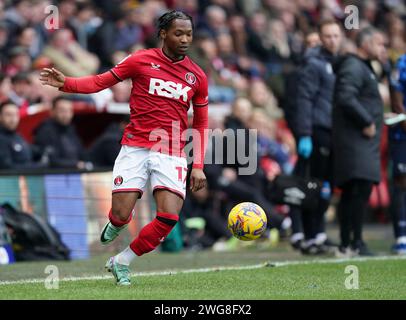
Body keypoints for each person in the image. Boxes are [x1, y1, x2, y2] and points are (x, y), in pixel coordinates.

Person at [40, 11, 208, 286]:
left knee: (168, 217)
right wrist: (67, 83)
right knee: (120, 215)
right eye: (179, 33)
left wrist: (198, 165)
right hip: (136, 147)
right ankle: (117, 223)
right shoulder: (141, 60)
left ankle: (122, 261)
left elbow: (201, 123)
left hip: (172, 151)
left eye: (189, 34)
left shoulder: (197, 76)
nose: (185, 39)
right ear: (163, 34)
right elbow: (100, 81)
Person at [289, 19, 342, 254]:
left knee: (321, 186)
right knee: (307, 184)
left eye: (336, 36)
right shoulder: (309, 66)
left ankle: (316, 233)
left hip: (330, 132)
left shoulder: (334, 63)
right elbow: (301, 102)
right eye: (326, 37)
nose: (331, 40)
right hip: (315, 132)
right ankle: (305, 233)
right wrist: (303, 134)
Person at [333, 27, 386, 256]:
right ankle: (354, 242)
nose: (383, 49)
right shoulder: (354, 66)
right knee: (357, 190)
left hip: (360, 142)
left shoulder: (364, 67)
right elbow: (345, 96)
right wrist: (367, 121)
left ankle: (349, 242)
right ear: (365, 44)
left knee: (356, 190)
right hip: (356, 141)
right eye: (379, 44)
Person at [33, 96, 90, 169]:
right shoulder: (45, 131)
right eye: (62, 110)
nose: (66, 114)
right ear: (52, 112)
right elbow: (50, 161)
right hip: (55, 176)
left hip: (75, 173)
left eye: (69, 111)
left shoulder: (71, 129)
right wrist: (75, 165)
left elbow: (82, 153)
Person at [388, 53, 406, 254]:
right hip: (402, 134)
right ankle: (401, 236)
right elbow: (396, 95)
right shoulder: (402, 63)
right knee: (402, 182)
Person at [0, 101, 44, 170]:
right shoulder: (2, 138)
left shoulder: (17, 135)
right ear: (0, 116)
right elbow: (7, 167)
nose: (13, 119)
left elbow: (30, 151)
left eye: (15, 115)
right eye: (8, 115)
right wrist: (38, 166)